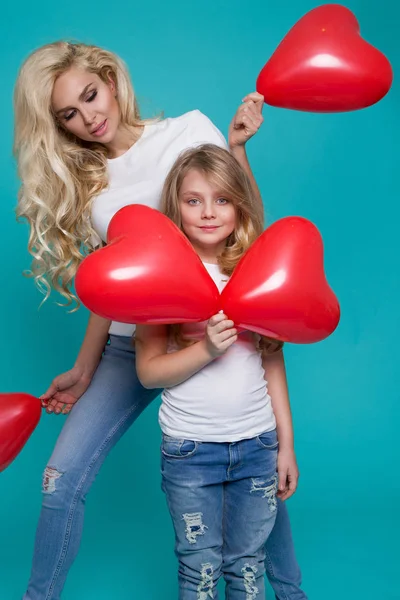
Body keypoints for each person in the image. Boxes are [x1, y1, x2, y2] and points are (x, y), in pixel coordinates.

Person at [13, 41, 306, 599]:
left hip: (213, 330)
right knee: (59, 480)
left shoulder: (189, 131)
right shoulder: (91, 186)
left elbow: (247, 227)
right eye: (68, 114)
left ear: (110, 79)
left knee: (254, 476)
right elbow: (115, 287)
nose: (89, 118)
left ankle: (291, 592)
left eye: (91, 95)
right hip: (136, 345)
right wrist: (83, 367)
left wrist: (238, 149)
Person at [134, 143, 299, 599]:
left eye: (222, 199)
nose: (208, 212)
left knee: (247, 567)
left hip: (257, 445)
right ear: (176, 208)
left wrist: (285, 443)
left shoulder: (255, 273)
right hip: (190, 450)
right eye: (194, 200)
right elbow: (149, 373)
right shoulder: (161, 277)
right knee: (200, 571)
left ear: (239, 206)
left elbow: (272, 360)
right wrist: (206, 347)